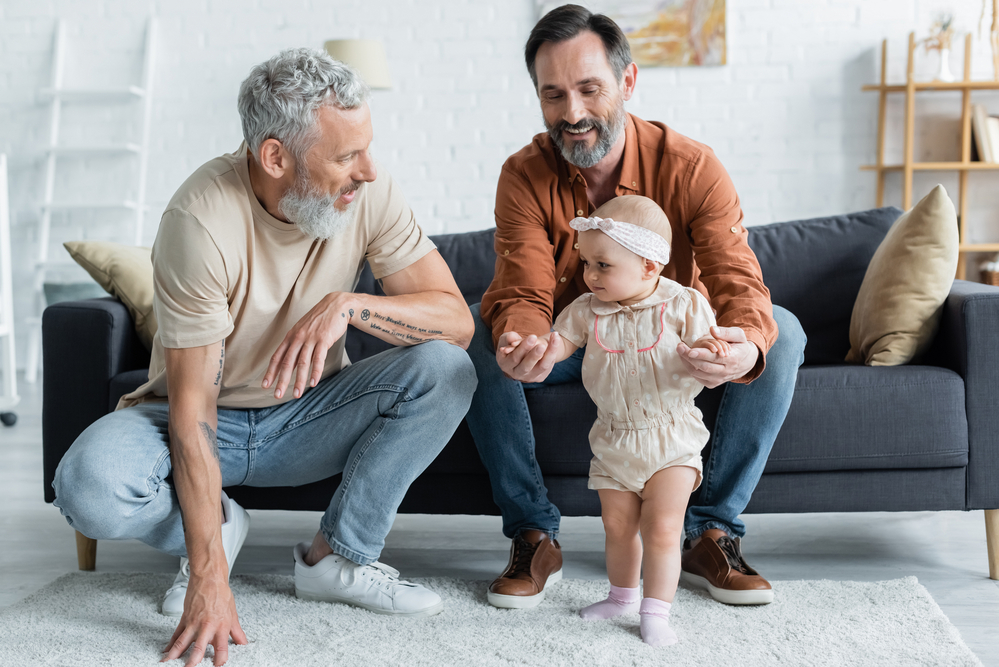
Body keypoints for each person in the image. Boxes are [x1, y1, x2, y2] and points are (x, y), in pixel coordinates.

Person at [53, 48, 476, 667]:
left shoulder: (370, 197)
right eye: (345, 156)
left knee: (446, 370)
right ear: (275, 156)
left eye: (367, 148)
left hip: (308, 415)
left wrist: (350, 306)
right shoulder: (199, 219)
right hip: (202, 424)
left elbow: (456, 322)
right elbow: (193, 411)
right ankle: (216, 530)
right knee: (85, 484)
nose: (368, 171)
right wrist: (208, 573)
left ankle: (338, 560)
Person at [465, 4, 806, 610]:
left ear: (627, 82)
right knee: (480, 334)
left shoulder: (691, 166)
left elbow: (736, 279)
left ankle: (710, 531)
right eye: (553, 95)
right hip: (575, 341)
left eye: (589, 88)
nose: (571, 113)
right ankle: (533, 534)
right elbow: (522, 289)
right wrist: (523, 340)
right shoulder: (522, 174)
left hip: (671, 344)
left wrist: (746, 345)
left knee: (783, 332)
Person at [538, 195, 728, 645]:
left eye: (602, 265)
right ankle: (622, 596)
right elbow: (561, 340)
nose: (589, 275)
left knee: (661, 527)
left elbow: (705, 345)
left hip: (671, 437)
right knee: (618, 527)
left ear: (649, 266)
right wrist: (543, 350)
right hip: (614, 438)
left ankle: (656, 610)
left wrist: (709, 351)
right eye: (585, 263)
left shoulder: (682, 304)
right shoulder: (587, 309)